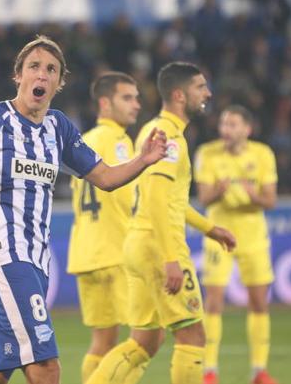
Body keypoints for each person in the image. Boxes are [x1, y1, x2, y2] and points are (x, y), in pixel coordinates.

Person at [0, 35, 167, 384]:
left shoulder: (58, 127)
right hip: (4, 254)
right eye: (34, 67)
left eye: (51, 70)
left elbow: (105, 177)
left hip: (37, 261)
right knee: (46, 368)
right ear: (18, 75)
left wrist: (144, 160)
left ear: (59, 83)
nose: (42, 75)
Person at [86, 61, 236, 384]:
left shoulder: (151, 130)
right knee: (193, 336)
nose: (207, 93)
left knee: (144, 343)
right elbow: (155, 198)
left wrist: (211, 229)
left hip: (137, 245)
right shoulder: (168, 137)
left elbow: (170, 201)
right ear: (180, 95)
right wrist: (170, 258)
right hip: (158, 246)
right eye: (200, 88)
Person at [194, 105, 279, 384]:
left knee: (258, 303)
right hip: (219, 234)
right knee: (214, 303)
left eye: (232, 125)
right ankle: (209, 371)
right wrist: (218, 192)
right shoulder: (207, 153)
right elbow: (204, 198)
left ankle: (259, 371)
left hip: (253, 236)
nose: (225, 130)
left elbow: (270, 200)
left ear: (247, 129)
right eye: (223, 124)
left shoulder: (263, 154)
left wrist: (254, 196)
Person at [67, 72, 141, 383]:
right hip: (116, 250)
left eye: (136, 98)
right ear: (104, 103)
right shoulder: (119, 141)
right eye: (127, 98)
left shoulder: (83, 141)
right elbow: (129, 199)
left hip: (86, 254)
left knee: (102, 342)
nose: (136, 105)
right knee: (146, 339)